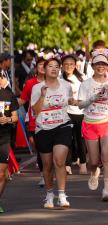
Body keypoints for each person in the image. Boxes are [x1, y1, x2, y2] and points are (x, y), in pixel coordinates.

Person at [31, 58, 75, 209]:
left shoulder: (66, 85)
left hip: (63, 125)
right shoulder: (37, 87)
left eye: (57, 66)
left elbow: (70, 101)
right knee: (47, 165)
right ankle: (50, 194)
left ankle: (62, 195)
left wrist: (76, 102)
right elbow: (35, 111)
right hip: (43, 128)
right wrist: (43, 95)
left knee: (60, 161)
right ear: (44, 69)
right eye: (50, 66)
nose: (54, 69)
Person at [78, 50, 108, 202]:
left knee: (107, 156)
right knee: (94, 161)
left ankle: (107, 189)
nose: (101, 67)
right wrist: (93, 98)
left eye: (103, 64)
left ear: (107, 65)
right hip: (90, 123)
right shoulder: (86, 84)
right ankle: (93, 172)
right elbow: (80, 105)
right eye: (98, 64)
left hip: (107, 122)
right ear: (93, 65)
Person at [19, 58, 46, 186]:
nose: (42, 67)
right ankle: (43, 174)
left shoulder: (56, 82)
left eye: (44, 65)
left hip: (53, 120)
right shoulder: (30, 83)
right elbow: (22, 101)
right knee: (40, 149)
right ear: (36, 68)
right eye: (39, 65)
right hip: (34, 120)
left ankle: (50, 172)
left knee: (50, 150)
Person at [61, 55, 87, 175]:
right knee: (67, 139)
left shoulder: (82, 78)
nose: (69, 66)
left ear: (75, 65)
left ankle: (83, 163)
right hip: (65, 113)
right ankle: (67, 164)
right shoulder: (59, 79)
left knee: (80, 139)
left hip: (80, 113)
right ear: (62, 65)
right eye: (66, 64)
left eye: (71, 64)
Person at [0, 73, 19, 213]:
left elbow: (15, 117)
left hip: (4, 138)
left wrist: (8, 120)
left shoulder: (8, 95)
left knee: (1, 174)